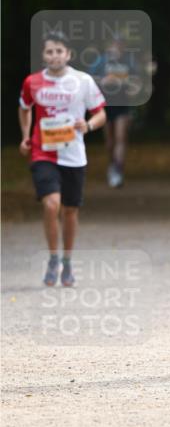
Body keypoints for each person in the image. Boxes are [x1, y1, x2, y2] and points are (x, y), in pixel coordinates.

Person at [18, 33, 107, 286]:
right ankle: (53, 257)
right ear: (43, 56)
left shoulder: (82, 81)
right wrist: (26, 136)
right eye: (49, 51)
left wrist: (87, 125)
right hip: (42, 152)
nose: (54, 55)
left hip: (74, 155)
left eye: (59, 51)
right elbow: (24, 108)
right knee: (50, 204)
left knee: (69, 210)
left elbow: (100, 114)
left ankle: (67, 261)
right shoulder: (32, 82)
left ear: (68, 54)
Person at [89, 39, 134, 188]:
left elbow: (138, 81)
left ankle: (118, 171)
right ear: (109, 47)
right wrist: (103, 81)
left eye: (120, 45)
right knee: (110, 141)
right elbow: (89, 80)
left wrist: (128, 83)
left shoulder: (129, 62)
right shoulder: (101, 61)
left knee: (121, 137)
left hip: (123, 105)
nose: (117, 48)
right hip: (105, 105)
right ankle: (112, 165)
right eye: (114, 45)